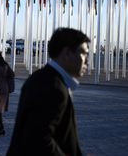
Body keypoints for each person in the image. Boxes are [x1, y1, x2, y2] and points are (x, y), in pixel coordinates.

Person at [7, 28, 90, 156]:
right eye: (84, 53)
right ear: (67, 53)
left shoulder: (41, 78)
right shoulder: (53, 88)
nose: (87, 61)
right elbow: (38, 141)